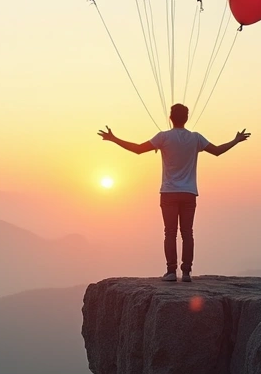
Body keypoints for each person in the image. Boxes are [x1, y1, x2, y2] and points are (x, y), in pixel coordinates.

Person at [98, 103, 250, 282]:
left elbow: (138, 149)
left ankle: (171, 272)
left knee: (170, 232)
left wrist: (114, 138)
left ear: (171, 118)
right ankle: (186, 273)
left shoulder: (163, 137)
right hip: (189, 193)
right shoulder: (195, 138)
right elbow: (217, 151)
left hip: (169, 192)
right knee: (187, 232)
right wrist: (236, 140)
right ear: (187, 118)